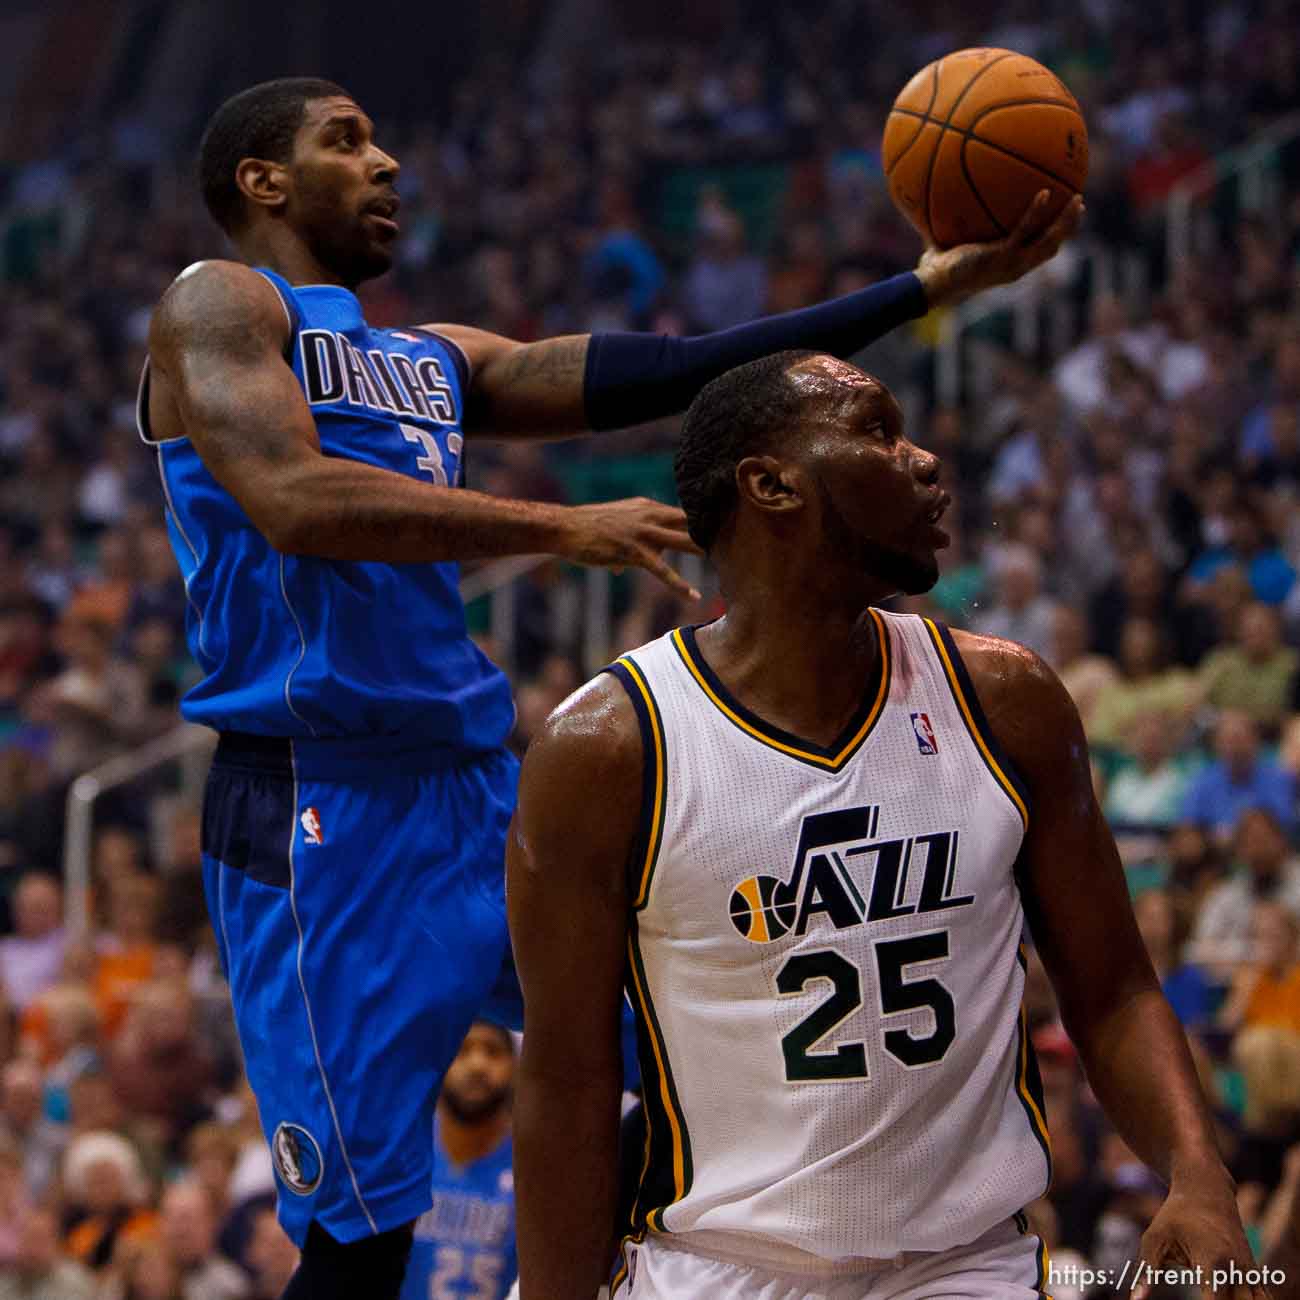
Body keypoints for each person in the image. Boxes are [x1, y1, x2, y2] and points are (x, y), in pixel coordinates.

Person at [147, 77, 1077, 1298]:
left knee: (695, 1064)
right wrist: (557, 525)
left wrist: (922, 290)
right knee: (362, 1239)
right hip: (323, 812)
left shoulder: (427, 360)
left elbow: (679, 368)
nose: (387, 165)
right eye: (347, 141)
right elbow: (292, 499)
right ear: (261, 182)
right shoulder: (218, 304)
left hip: (474, 788)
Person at [507, 352, 1260, 1298]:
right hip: (721, 1270)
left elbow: (1110, 987)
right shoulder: (609, 751)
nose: (925, 458)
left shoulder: (1005, 700)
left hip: (965, 1265)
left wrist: (1197, 1172)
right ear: (771, 484)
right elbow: (569, 1081)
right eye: (876, 429)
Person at [400, 1023, 516, 1300]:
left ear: (517, 1067)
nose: (478, 1065)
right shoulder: (401, 1158)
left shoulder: (535, 1170)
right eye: (462, 1050)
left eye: (493, 1051)